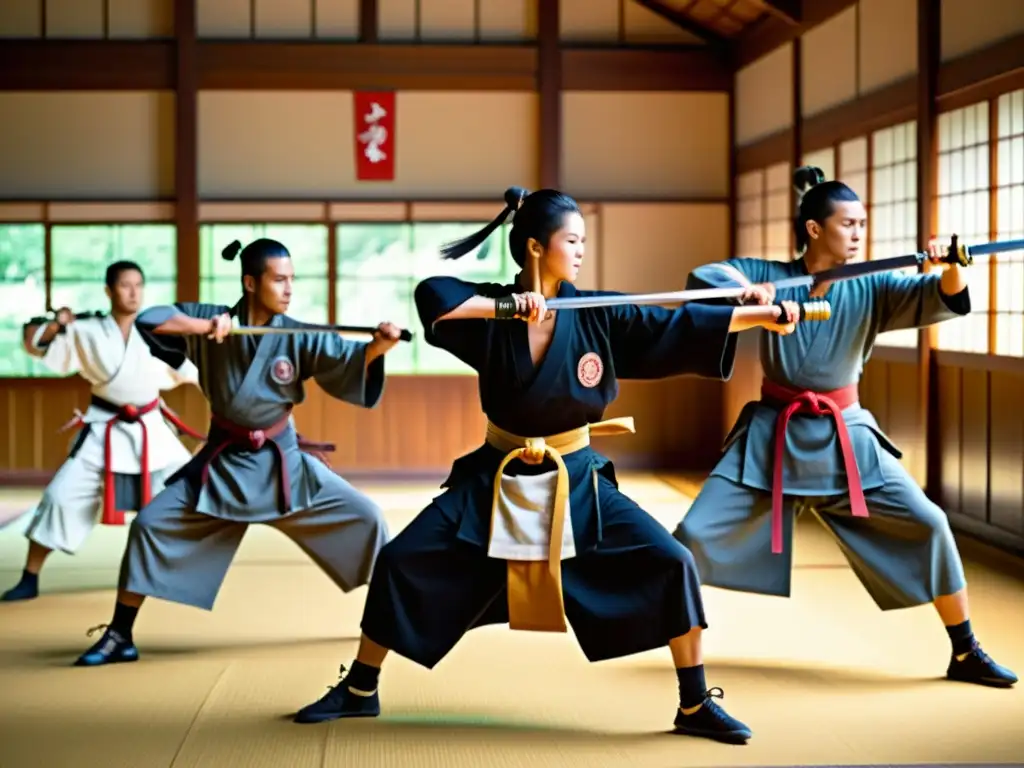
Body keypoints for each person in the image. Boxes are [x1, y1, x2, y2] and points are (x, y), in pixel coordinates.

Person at [292, 186, 804, 744]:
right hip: (496, 476)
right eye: (572, 240)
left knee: (672, 561)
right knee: (399, 560)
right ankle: (361, 689)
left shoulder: (596, 314)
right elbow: (433, 295)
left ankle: (695, 702)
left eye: (584, 240)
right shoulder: (490, 316)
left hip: (576, 476)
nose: (582, 250)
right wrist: (510, 306)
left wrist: (759, 316)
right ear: (535, 248)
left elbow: (673, 326)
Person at [673, 166, 1017, 688]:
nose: (859, 234)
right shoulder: (772, 272)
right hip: (772, 436)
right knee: (692, 537)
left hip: (846, 435)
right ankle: (690, 671)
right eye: (848, 224)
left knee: (929, 523)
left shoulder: (874, 284)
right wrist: (750, 293)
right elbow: (706, 276)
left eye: (863, 224)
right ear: (814, 229)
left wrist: (952, 267)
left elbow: (944, 297)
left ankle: (965, 650)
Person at [72, 238, 400, 667]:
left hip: (285, 467)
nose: (288, 289)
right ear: (250, 282)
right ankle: (120, 635)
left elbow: (349, 358)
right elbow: (151, 320)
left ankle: (386, 623)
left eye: (291, 281)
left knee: (368, 519)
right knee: (150, 525)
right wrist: (201, 330)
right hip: (223, 467)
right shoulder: (212, 320)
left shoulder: (296, 334)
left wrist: (378, 348)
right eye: (279, 280)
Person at [2, 261, 201, 603]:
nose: (134, 292)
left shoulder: (157, 329)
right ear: (109, 291)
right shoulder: (87, 329)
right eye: (125, 285)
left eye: (139, 284)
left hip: (151, 428)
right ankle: (29, 576)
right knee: (60, 496)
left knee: (185, 494)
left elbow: (191, 367)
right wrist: (59, 324)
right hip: (103, 428)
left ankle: (173, 571)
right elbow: (34, 343)